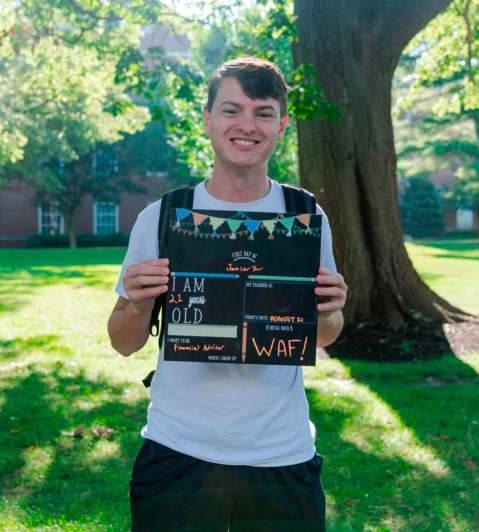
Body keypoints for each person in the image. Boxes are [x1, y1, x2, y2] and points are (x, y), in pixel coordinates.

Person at [107, 57, 347, 531]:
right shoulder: (163, 216)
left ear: (281, 125)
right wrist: (137, 302)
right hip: (179, 451)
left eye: (263, 112)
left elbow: (325, 335)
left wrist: (332, 308)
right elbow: (122, 341)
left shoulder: (304, 215)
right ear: (208, 119)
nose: (246, 125)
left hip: (281, 453)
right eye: (232, 110)